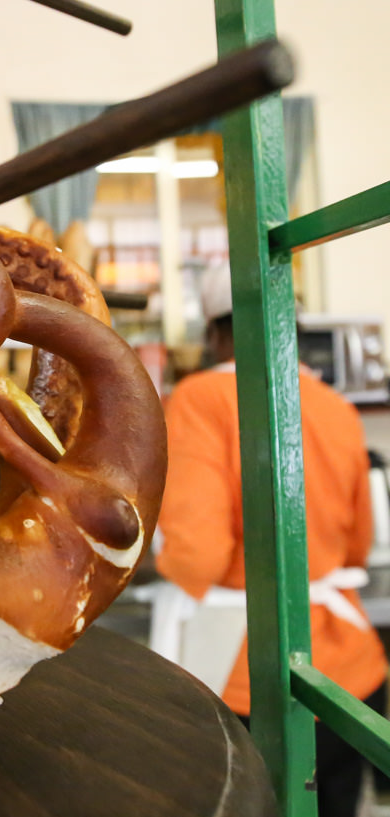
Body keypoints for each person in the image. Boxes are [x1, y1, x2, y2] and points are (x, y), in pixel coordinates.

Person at [155, 263, 388, 817]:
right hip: (346, 678)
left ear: (216, 333)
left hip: (250, 681)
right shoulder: (334, 405)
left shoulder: (198, 399)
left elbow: (200, 554)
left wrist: (151, 562)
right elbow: (359, 545)